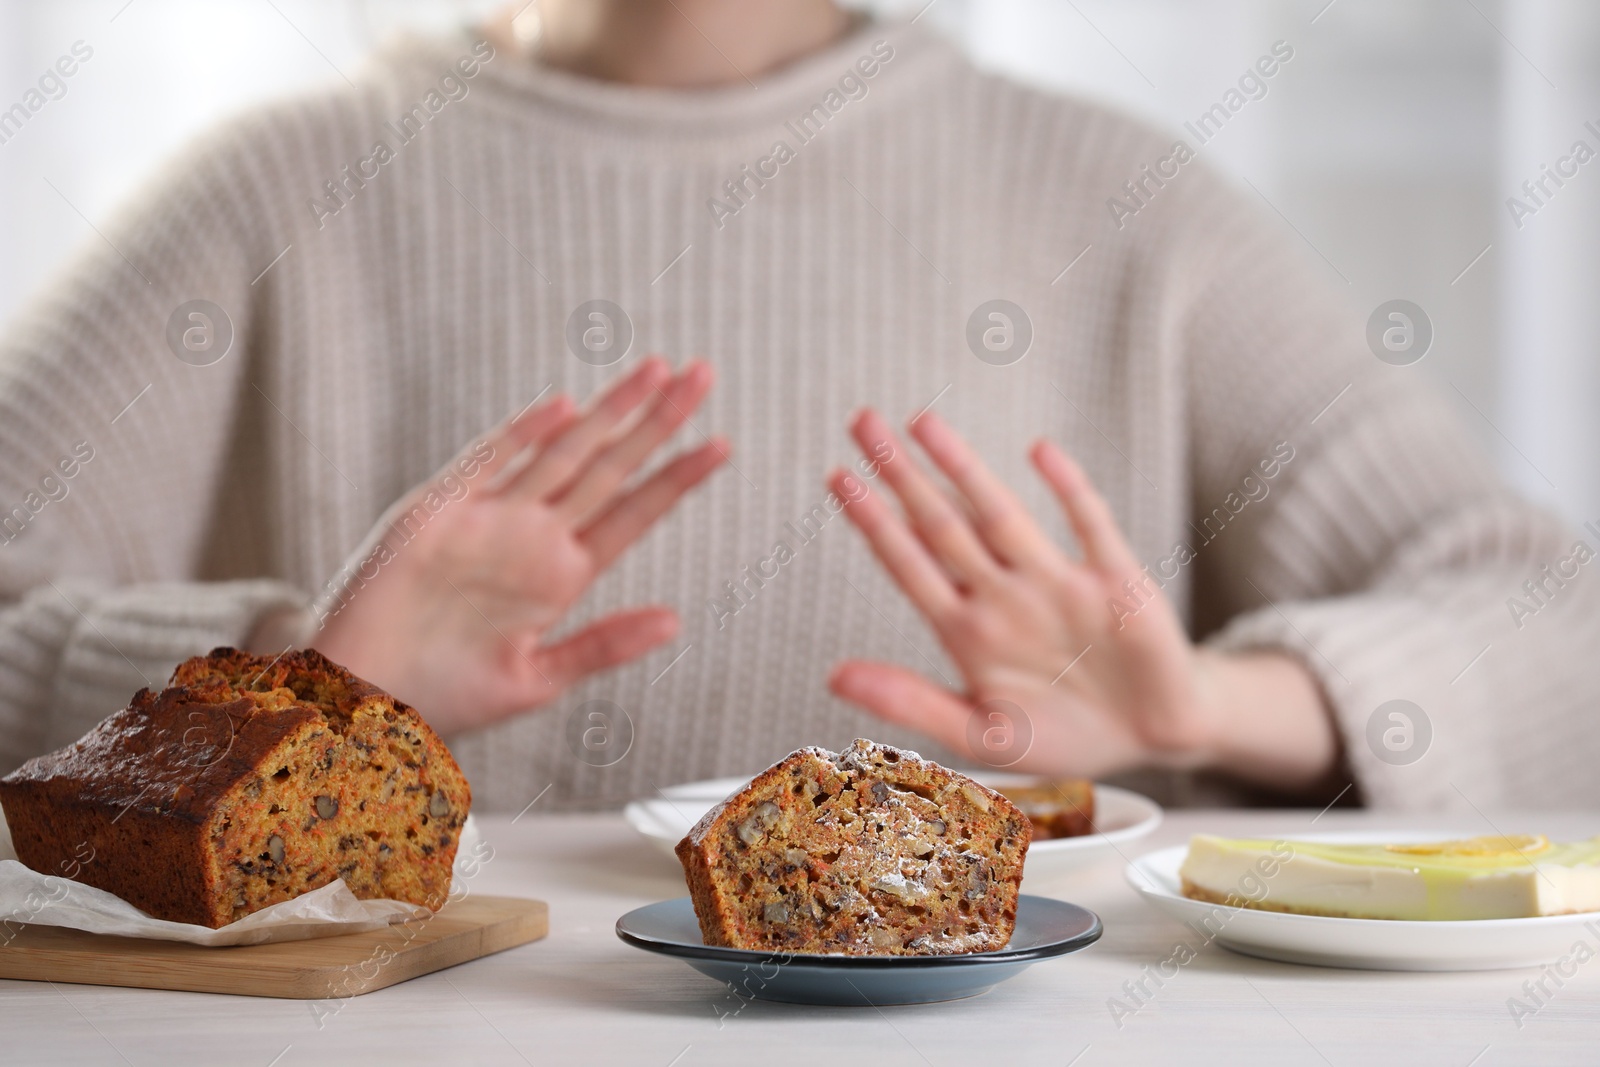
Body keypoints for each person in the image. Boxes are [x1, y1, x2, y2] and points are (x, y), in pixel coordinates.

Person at [0, 0, 1593, 813]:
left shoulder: (1122, 205)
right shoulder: (269, 195)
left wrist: (1215, 711)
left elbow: (1557, 620)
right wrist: (290, 691)